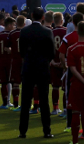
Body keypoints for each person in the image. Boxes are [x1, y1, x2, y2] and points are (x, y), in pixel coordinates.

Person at [18, 7, 57, 139]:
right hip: (42, 68)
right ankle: (47, 131)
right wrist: (45, 60)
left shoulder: (24, 31)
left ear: (32, 15)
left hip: (28, 67)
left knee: (25, 101)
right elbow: (52, 52)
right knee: (44, 101)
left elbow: (21, 51)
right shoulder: (47, 32)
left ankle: (22, 131)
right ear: (42, 17)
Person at [49, 12, 68, 116]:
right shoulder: (66, 32)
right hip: (64, 63)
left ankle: (55, 108)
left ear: (53, 21)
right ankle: (65, 109)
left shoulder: (50, 32)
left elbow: (47, 49)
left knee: (55, 87)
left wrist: (52, 61)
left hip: (54, 62)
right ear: (62, 21)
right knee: (65, 88)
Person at [0, 17, 16, 108]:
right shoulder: (13, 35)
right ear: (10, 25)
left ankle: (4, 103)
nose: (14, 26)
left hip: (1, 60)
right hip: (11, 60)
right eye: (13, 25)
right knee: (13, 82)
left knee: (3, 82)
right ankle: (14, 102)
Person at [9, 15, 25, 111]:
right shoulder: (27, 32)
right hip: (25, 60)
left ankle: (15, 104)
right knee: (27, 83)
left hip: (15, 60)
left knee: (15, 83)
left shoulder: (12, 33)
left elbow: (7, 47)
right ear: (24, 23)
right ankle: (28, 104)